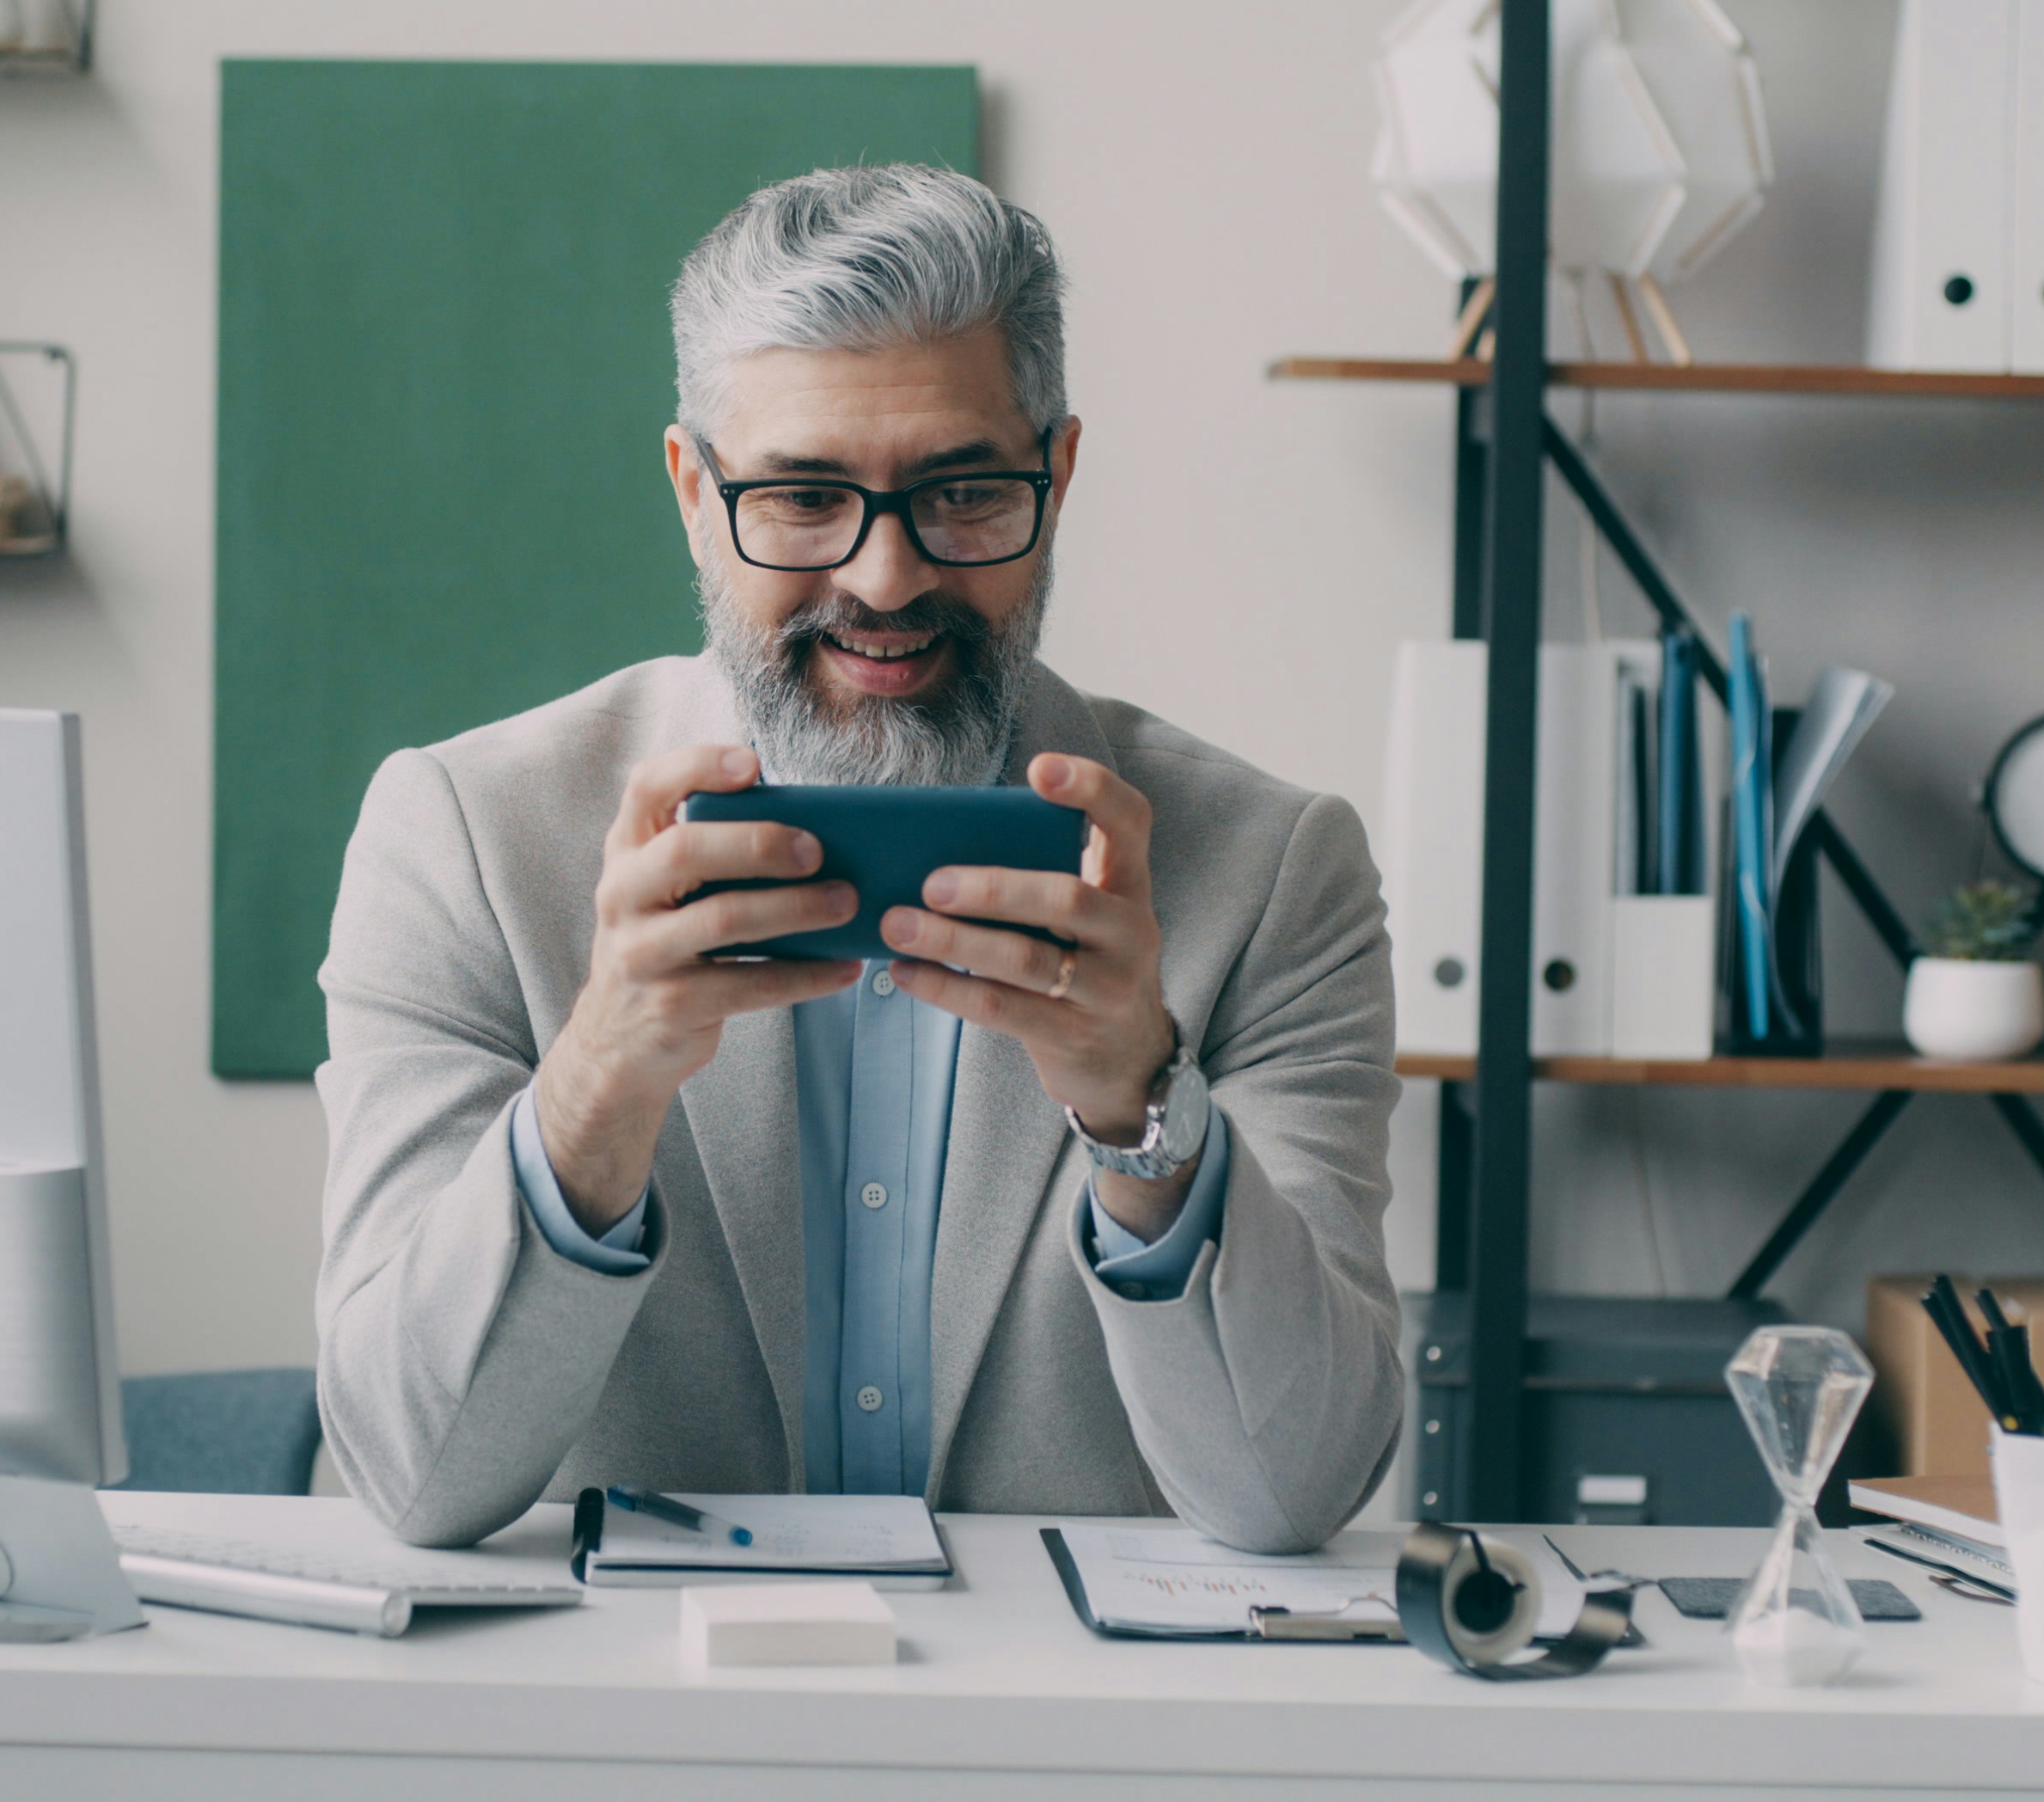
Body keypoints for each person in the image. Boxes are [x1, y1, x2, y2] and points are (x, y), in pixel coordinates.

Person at [315, 164, 1402, 1551]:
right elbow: (412, 1481)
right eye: (803, 497)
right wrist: (594, 1087)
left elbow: (1293, 1494)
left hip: (1051, 1692)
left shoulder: (1273, 872)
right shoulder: (463, 842)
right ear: (694, 493)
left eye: (964, 492)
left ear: (1059, 478)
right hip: (624, 1688)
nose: (886, 579)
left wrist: (1146, 1114)